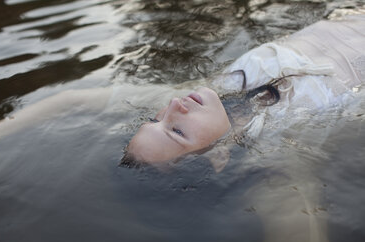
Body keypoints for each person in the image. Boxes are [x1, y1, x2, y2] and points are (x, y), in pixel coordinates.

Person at [123, 13, 365, 166]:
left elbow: (116, 96)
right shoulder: (278, 143)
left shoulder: (223, 86)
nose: (175, 105)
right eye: (176, 130)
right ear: (217, 156)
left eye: (157, 118)